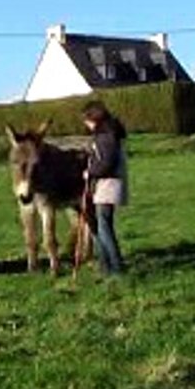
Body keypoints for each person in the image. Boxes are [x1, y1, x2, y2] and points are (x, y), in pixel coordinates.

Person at [81, 100, 128, 276]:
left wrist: (89, 172)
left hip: (108, 185)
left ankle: (116, 267)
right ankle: (106, 266)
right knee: (104, 226)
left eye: (86, 119)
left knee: (104, 227)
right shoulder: (110, 133)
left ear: (94, 118)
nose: (86, 124)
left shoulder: (105, 135)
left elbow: (107, 163)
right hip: (110, 184)